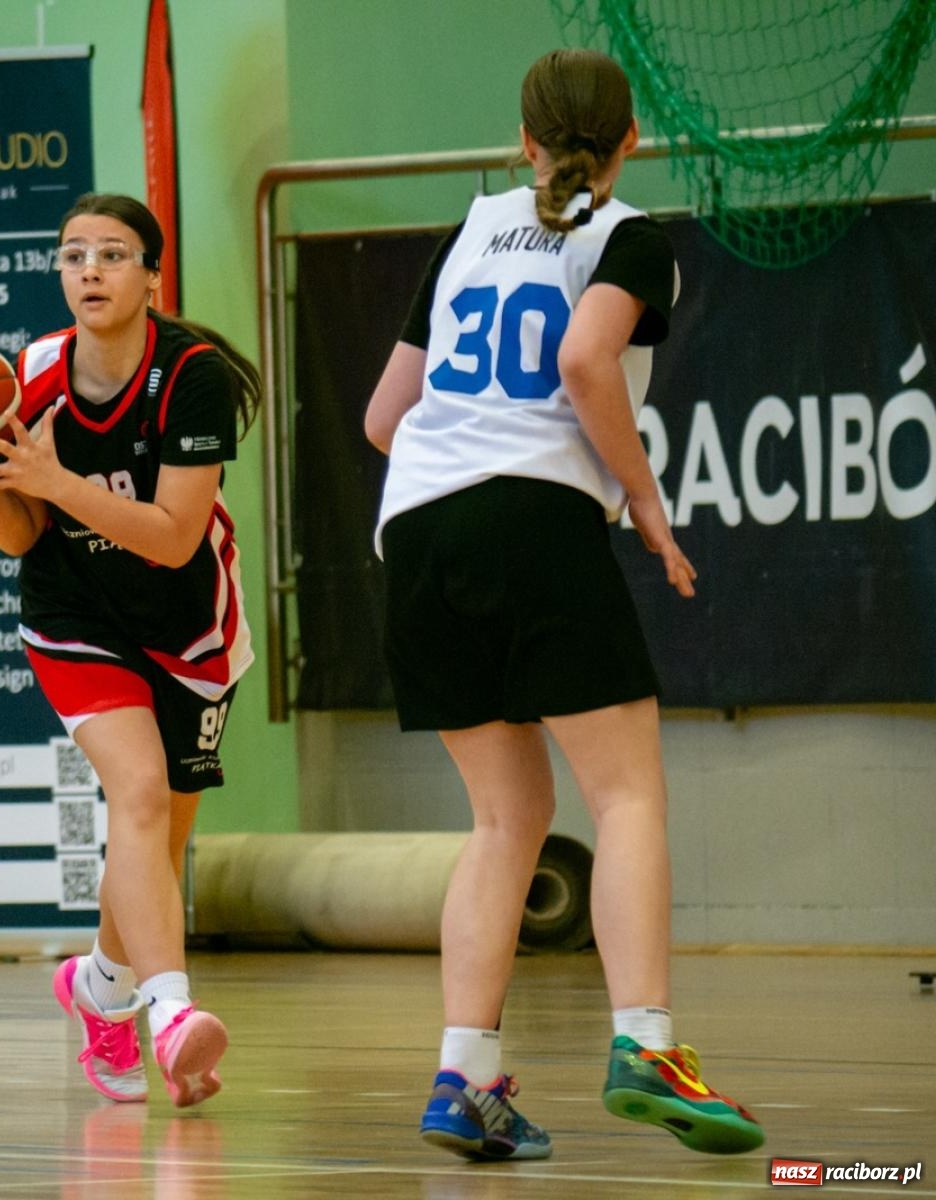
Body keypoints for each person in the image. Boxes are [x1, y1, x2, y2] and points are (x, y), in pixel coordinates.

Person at [363, 50, 764, 1160]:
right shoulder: (631, 238)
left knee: (504, 819)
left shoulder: (468, 231)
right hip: (532, 518)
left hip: (416, 533)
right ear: (632, 136)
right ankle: (646, 1044)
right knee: (626, 796)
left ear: (524, 140)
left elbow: (383, 419)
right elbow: (588, 360)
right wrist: (645, 502)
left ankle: (464, 1080)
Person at [0, 193, 258, 1108]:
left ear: (152, 275)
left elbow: (172, 537)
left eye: (113, 253)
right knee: (140, 793)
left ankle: (100, 986)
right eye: (74, 253)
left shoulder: (191, 376)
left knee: (157, 836)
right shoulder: (28, 375)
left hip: (188, 621)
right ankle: (171, 1014)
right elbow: (19, 534)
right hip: (73, 614)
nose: (90, 268)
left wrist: (54, 480)